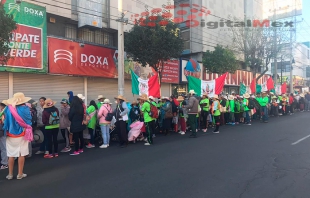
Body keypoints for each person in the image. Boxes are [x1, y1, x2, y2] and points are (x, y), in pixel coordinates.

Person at [3, 93, 32, 180]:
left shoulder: (8, 109)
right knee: (21, 154)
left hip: (10, 134)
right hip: (22, 134)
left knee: (11, 155)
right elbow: (29, 121)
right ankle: (20, 174)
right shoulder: (25, 109)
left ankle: (10, 174)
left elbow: (5, 121)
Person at [0, 101, 8, 170]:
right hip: (2, 132)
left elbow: (3, 124)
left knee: (3, 148)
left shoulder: (3, 114)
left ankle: (5, 163)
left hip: (2, 133)